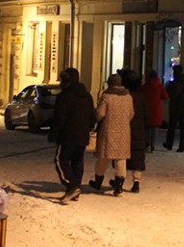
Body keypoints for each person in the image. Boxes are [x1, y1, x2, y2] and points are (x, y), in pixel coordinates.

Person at [48, 67, 97, 205]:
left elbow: (59, 118)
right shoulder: (87, 96)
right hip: (82, 135)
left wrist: (54, 133)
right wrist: (88, 128)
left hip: (67, 135)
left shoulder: (64, 96)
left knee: (61, 160)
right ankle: (76, 188)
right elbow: (92, 116)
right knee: (77, 161)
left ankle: (72, 186)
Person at [89, 73, 134, 196]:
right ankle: (119, 187)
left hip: (108, 130)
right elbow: (131, 114)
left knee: (103, 157)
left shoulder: (106, 96)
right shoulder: (128, 97)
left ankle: (98, 182)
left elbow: (100, 114)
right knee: (121, 158)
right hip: (124, 131)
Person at [119, 68, 148, 193]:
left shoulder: (123, 97)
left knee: (122, 155)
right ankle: (136, 182)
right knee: (137, 155)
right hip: (139, 129)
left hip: (125, 128)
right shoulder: (141, 97)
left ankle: (119, 180)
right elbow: (146, 114)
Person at [163, 64, 184, 152]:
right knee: (183, 129)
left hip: (175, 108)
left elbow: (170, 94)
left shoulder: (174, 83)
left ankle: (169, 144)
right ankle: (182, 145)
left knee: (172, 127)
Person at [141, 69, 168, 151]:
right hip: (156, 110)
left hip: (146, 110)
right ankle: (152, 145)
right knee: (154, 130)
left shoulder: (144, 87)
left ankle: (146, 143)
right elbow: (165, 96)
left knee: (146, 129)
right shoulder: (159, 87)